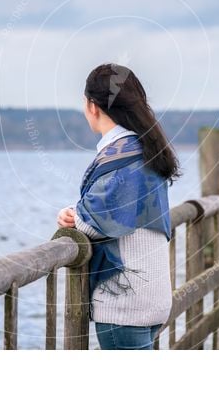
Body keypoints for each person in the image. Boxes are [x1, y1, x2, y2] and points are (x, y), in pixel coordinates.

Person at [57, 63, 183, 350]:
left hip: (125, 303)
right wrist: (78, 212)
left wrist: (71, 216)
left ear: (93, 106)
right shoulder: (148, 148)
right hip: (154, 296)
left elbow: (94, 222)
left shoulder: (121, 156)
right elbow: (119, 209)